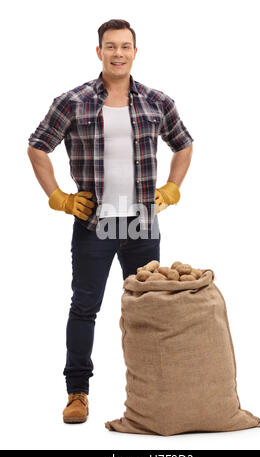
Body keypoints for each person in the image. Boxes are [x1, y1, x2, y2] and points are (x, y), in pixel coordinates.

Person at [27, 18, 194, 424]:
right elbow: (37, 147)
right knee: (85, 307)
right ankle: (77, 394)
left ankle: (154, 393)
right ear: (98, 51)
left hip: (141, 223)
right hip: (95, 224)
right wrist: (58, 197)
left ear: (135, 51)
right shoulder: (73, 101)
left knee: (149, 307)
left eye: (125, 46)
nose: (118, 53)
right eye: (110, 46)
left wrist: (171, 188)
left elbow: (184, 144)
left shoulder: (157, 101)